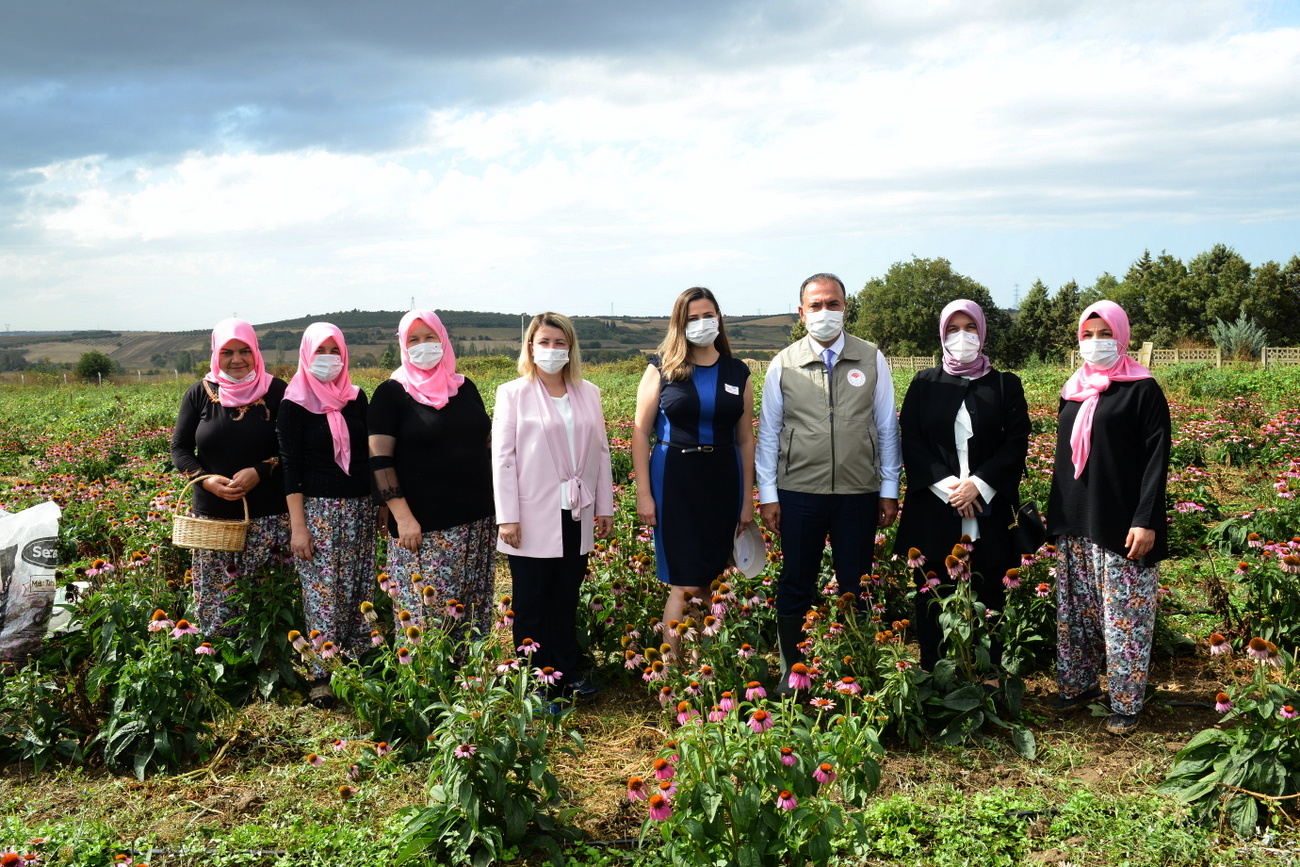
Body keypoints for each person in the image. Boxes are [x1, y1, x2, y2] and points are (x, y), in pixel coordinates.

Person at [756, 273, 901, 692]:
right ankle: (792, 670)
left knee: (856, 580)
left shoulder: (871, 358)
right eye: (815, 306)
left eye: (832, 304)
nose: (824, 313)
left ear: (845, 308)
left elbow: (886, 427)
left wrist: (889, 488)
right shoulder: (783, 363)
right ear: (802, 313)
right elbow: (769, 433)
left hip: (859, 492)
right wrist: (768, 495)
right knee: (796, 580)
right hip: (799, 491)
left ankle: (853, 666)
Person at [1047, 300, 1171, 736]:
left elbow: (1157, 459)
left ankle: (1125, 702)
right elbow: (1065, 458)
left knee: (1124, 615)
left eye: (1105, 335)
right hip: (1076, 517)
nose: (1096, 343)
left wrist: (1147, 518)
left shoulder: (1142, 389)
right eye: (1088, 335)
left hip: (1121, 521)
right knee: (1076, 612)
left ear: (1122, 337)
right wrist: (1057, 516)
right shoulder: (1073, 388)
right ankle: (1078, 686)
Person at [894, 299, 1030, 672]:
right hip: (936, 506)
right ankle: (933, 673)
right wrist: (953, 488)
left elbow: (1016, 442)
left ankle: (987, 675)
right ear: (941, 334)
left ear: (983, 332)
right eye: (953, 328)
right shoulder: (925, 383)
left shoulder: (1005, 385)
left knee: (991, 592)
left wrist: (980, 485)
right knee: (932, 591)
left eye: (970, 327)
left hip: (990, 504)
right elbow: (912, 440)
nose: (962, 336)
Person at [493, 312, 615, 698]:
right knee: (531, 599)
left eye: (559, 343)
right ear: (530, 347)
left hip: (576, 511)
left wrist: (605, 506)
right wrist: (507, 516)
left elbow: (601, 451)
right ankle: (534, 681)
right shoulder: (513, 393)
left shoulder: (588, 392)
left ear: (570, 348)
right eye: (544, 342)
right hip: (531, 515)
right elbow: (503, 458)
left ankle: (566, 671)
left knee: (566, 595)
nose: (551, 350)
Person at [631, 287, 755, 662]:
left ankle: (702, 672)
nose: (702, 323)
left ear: (720, 318)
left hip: (723, 480)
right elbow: (639, 430)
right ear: (680, 324)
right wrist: (644, 494)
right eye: (693, 318)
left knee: (711, 581)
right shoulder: (662, 367)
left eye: (708, 315)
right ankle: (670, 673)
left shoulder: (738, 372)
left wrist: (747, 498)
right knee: (683, 583)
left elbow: (746, 438)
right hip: (674, 479)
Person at [367, 310, 496, 641]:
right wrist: (403, 517)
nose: (423, 346)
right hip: (424, 527)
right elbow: (379, 459)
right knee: (426, 613)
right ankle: (426, 686)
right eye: (413, 340)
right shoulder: (391, 393)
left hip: (476, 520)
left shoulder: (465, 387)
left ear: (443, 340)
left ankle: (469, 683)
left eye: (430, 337)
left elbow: (487, 443)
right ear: (403, 346)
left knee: (471, 607)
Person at [171, 318, 290, 638]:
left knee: (267, 602)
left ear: (256, 352)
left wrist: (261, 471)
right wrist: (205, 479)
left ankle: (266, 669)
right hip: (213, 522)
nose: (237, 359)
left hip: (269, 519)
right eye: (227, 352)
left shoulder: (277, 391)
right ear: (215, 354)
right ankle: (219, 666)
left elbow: (292, 448)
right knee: (216, 601)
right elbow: (180, 449)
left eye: (244, 351)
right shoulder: (199, 393)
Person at [277, 323, 375, 708]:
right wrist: (298, 527)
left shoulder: (356, 397)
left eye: (335, 350)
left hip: (360, 508)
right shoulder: (294, 402)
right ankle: (322, 672)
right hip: (317, 510)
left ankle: (356, 661)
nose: (329, 359)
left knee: (357, 585)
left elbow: (368, 454)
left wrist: (379, 505)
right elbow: (290, 466)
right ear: (306, 354)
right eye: (321, 351)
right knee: (322, 590)